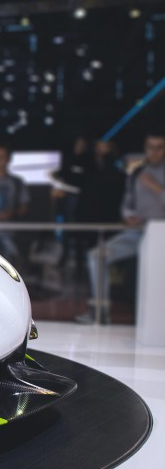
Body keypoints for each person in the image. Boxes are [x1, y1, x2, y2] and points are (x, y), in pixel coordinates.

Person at [77, 129, 165, 324]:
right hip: (137, 232)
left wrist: (157, 188)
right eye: (151, 147)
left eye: (159, 148)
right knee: (97, 255)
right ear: (145, 149)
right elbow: (127, 204)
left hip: (162, 236)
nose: (155, 152)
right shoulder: (137, 173)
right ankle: (100, 312)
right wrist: (130, 216)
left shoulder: (150, 177)